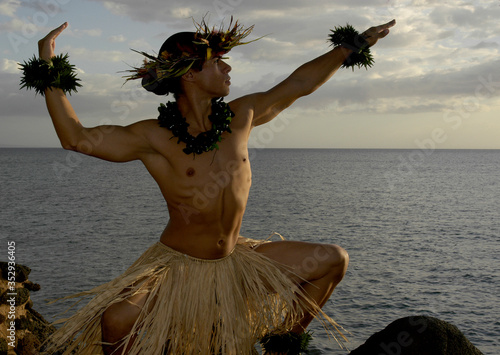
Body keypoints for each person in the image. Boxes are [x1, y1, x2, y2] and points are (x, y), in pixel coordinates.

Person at [32, 17, 395, 355]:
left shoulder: (241, 116)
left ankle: (284, 343)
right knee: (117, 319)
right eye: (217, 62)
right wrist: (47, 63)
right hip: (176, 269)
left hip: (237, 262)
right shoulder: (153, 136)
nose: (228, 68)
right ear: (189, 74)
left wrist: (355, 44)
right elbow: (76, 138)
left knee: (333, 260)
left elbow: (299, 84)